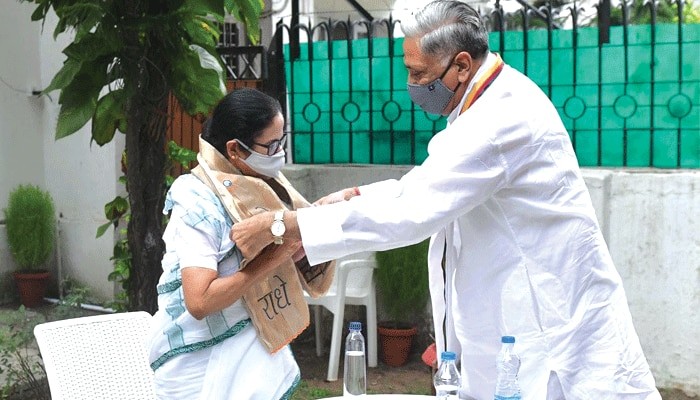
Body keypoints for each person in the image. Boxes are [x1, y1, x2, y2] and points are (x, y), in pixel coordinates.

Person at [230, 1, 661, 399]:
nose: (412, 86)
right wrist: (353, 195)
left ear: (460, 64)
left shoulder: (497, 120)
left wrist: (286, 225)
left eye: (420, 75)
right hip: (517, 319)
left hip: (550, 328)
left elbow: (413, 211)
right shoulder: (484, 103)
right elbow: (433, 183)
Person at [148, 88, 333, 399]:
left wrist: (319, 218)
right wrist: (276, 256)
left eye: (281, 142)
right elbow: (200, 302)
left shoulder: (259, 182)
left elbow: (287, 236)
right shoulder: (196, 198)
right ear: (235, 149)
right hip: (197, 362)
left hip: (249, 343)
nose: (279, 153)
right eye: (271, 145)